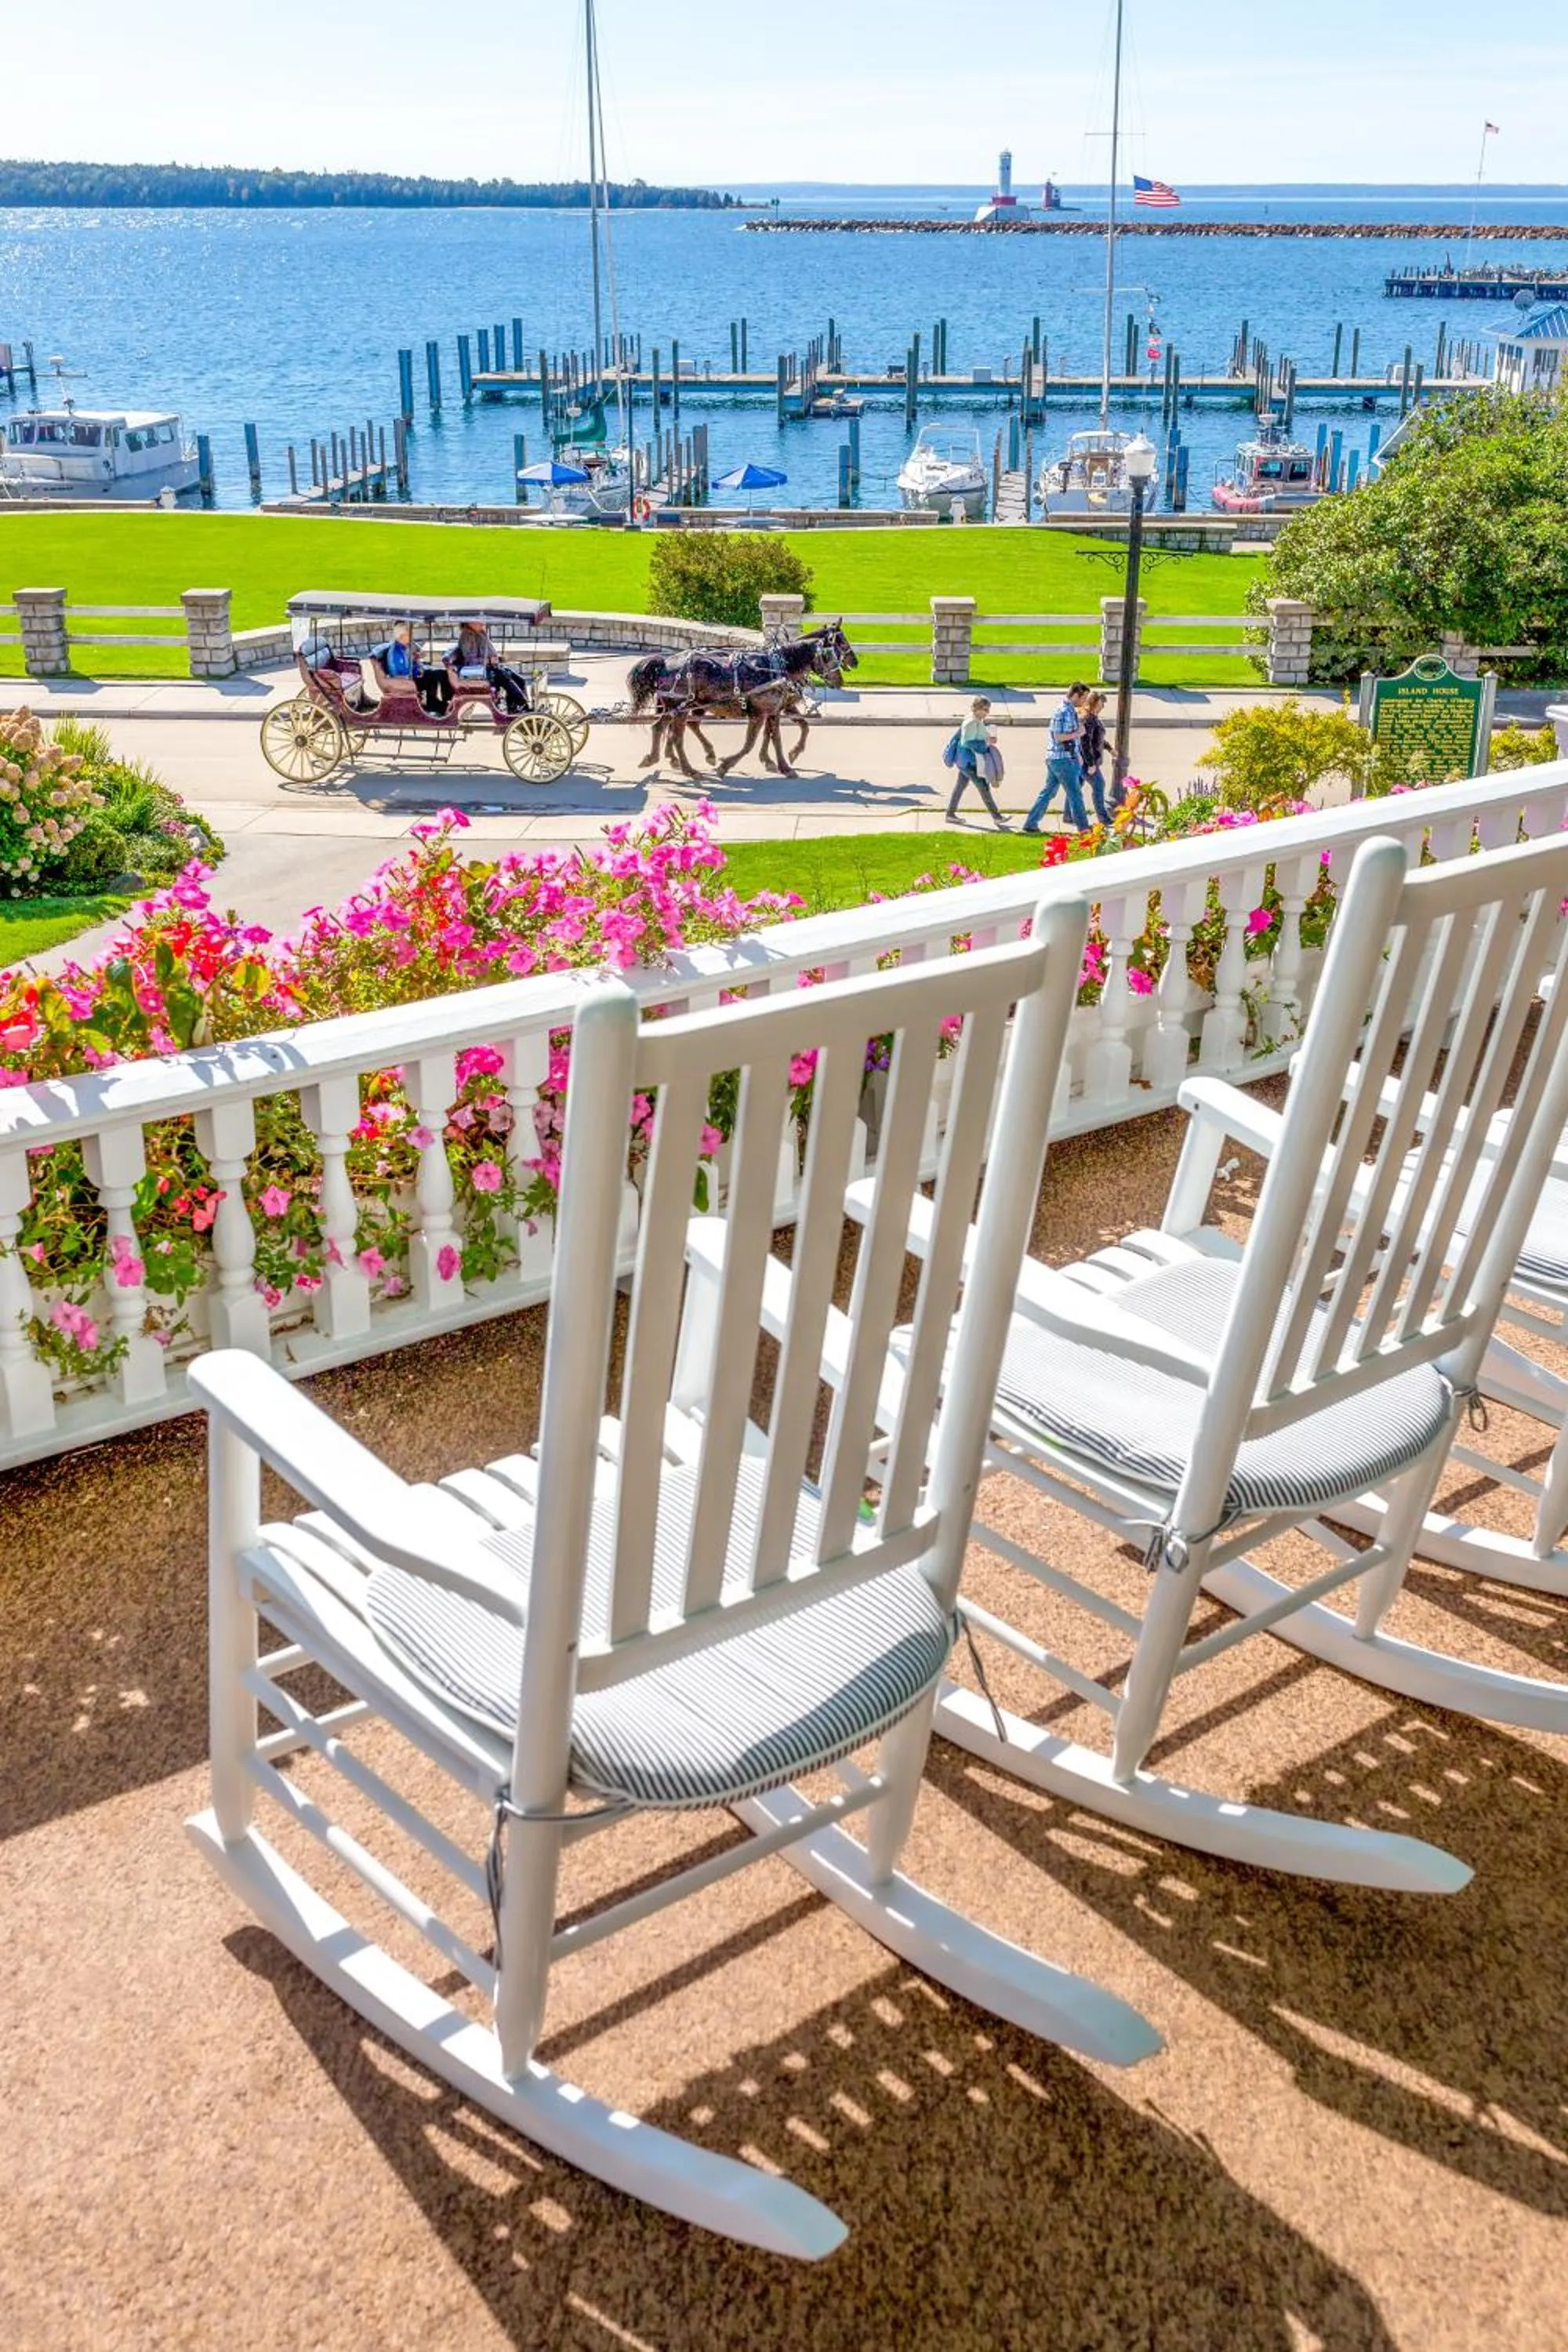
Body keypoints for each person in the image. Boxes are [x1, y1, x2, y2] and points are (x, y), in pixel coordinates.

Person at [1022, 682, 1090, 833]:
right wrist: (1078, 733)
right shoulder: (1063, 712)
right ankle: (1084, 829)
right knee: (1075, 794)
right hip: (1063, 759)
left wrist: (1078, 754)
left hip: (1059, 759)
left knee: (1049, 792)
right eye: (1083, 698)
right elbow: (1058, 736)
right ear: (1075, 695)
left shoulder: (1070, 711)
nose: (1084, 702)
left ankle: (1031, 823)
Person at [946, 696, 1008, 829]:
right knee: (984, 787)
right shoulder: (972, 723)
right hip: (969, 762)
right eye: (985, 709)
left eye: (988, 709)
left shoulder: (974, 719)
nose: (987, 712)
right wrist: (987, 742)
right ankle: (996, 817)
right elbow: (967, 742)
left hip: (963, 761)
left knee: (959, 787)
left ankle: (950, 814)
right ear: (977, 708)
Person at [446, 619, 532, 716]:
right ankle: (521, 704)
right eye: (479, 621)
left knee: (518, 678)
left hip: (488, 667)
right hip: (476, 672)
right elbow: (470, 660)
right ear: (469, 622)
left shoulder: (480, 633)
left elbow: (488, 652)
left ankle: (516, 707)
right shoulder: (467, 636)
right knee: (504, 676)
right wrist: (489, 661)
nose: (483, 623)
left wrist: (495, 658)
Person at [372, 619, 450, 717]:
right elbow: (401, 673)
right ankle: (432, 705)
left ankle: (445, 699)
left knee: (441, 673)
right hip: (403, 680)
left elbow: (417, 656)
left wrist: (416, 661)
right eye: (408, 633)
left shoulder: (406, 646)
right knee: (431, 677)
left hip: (413, 674)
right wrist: (416, 669)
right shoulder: (395, 653)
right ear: (402, 636)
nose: (411, 635)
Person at [1080, 689, 1112, 825]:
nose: (1102, 707)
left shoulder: (1093, 718)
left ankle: (1069, 815)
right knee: (1099, 785)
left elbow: (1097, 740)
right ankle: (1103, 817)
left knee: (1075, 788)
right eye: (1100, 704)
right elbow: (1085, 743)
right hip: (1088, 762)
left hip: (1086, 761)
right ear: (1093, 703)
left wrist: (1110, 748)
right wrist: (1091, 764)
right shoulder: (1089, 720)